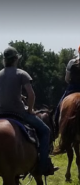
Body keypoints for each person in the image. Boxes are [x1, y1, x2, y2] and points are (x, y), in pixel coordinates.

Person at [0, 46, 59, 176]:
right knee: (45, 131)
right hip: (18, 112)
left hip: (1, 114)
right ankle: (43, 166)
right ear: (16, 59)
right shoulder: (21, 73)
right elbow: (31, 95)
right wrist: (31, 110)